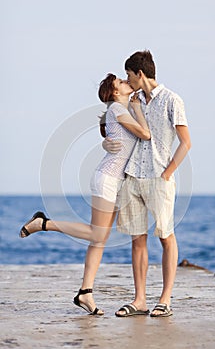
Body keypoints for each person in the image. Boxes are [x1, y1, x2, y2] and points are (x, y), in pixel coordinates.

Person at [19, 73, 150, 316]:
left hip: (117, 181)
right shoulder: (116, 110)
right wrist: (137, 110)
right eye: (120, 82)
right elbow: (145, 134)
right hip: (107, 179)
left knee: (98, 240)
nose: (125, 81)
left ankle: (85, 293)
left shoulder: (122, 111)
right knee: (97, 233)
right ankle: (43, 223)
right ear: (114, 93)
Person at [103, 50, 191, 317]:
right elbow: (114, 125)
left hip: (159, 178)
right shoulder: (134, 100)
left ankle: (165, 300)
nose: (128, 81)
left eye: (129, 75)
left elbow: (186, 142)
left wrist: (167, 173)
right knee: (137, 239)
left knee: (166, 236)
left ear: (140, 74)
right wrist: (105, 142)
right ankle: (139, 300)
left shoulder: (172, 100)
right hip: (133, 177)